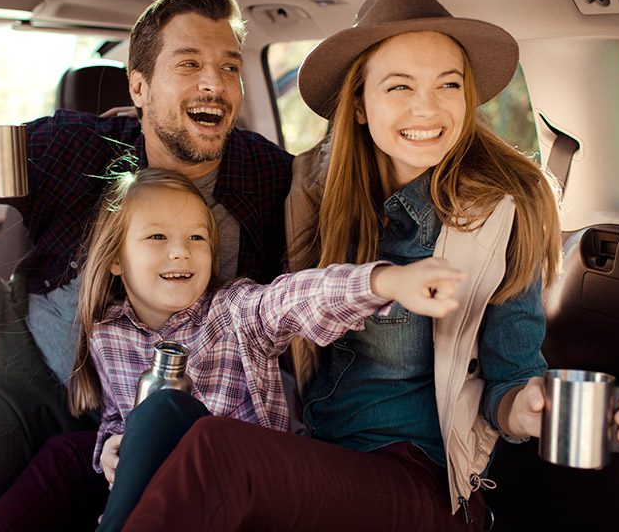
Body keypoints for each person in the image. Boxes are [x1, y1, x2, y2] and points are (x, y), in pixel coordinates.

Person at [113, 0, 619, 532]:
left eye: (448, 85)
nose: (427, 108)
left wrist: (527, 408)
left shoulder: (500, 213)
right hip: (318, 452)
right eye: (400, 87)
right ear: (359, 105)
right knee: (163, 414)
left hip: (422, 481)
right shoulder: (315, 191)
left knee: (217, 450)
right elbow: (271, 318)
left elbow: (511, 378)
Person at [0, 0, 292, 529]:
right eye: (189, 64)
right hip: (41, 376)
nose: (214, 84)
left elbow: (340, 180)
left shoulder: (266, 172)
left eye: (230, 66)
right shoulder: (74, 146)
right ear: (139, 86)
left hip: (168, 408)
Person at [63, 166, 465, 531]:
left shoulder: (234, 312)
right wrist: (113, 447)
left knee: (166, 407)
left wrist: (384, 284)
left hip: (245, 502)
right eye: (157, 236)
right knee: (130, 426)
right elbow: (117, 416)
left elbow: (294, 297)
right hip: (169, 504)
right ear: (115, 257)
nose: (180, 251)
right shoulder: (108, 334)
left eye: (196, 237)